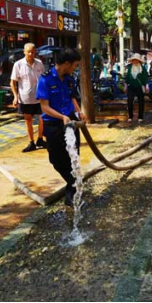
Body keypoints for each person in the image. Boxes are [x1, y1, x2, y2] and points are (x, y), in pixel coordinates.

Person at [37, 49, 87, 207]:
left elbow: (72, 98)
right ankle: (74, 182)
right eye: (75, 65)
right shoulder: (45, 79)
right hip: (53, 124)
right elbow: (44, 107)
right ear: (67, 63)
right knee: (56, 159)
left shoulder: (69, 79)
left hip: (71, 121)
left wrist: (79, 112)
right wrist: (61, 117)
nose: (75, 68)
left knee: (73, 157)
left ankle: (71, 194)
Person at [11, 43, 46, 153]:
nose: (30, 54)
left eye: (32, 52)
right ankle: (31, 142)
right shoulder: (18, 64)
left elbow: (44, 79)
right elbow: (13, 82)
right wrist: (15, 96)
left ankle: (40, 139)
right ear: (24, 52)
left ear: (35, 52)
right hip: (25, 98)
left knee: (43, 118)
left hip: (40, 97)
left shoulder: (39, 63)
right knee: (28, 120)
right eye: (28, 52)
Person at [125, 53, 150, 123]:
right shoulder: (130, 68)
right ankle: (130, 116)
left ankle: (140, 117)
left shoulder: (143, 68)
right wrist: (125, 86)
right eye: (133, 60)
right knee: (130, 101)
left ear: (139, 61)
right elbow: (127, 78)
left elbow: (146, 78)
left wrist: (147, 85)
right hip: (131, 87)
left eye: (136, 60)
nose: (135, 61)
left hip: (140, 87)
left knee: (141, 102)